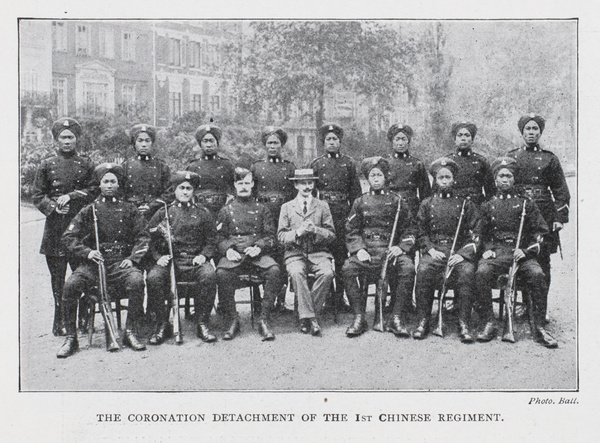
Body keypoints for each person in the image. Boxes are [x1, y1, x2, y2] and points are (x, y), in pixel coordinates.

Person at [57, 164, 150, 358]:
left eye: (113, 181)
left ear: (118, 184)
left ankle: (130, 332)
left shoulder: (130, 209)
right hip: (94, 263)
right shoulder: (89, 210)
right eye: (105, 181)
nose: (109, 185)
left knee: (136, 281)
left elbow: (143, 237)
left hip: (120, 263)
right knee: (71, 285)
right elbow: (68, 237)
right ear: (99, 185)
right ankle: (71, 338)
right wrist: (87, 252)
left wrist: (133, 259)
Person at [474, 157, 557, 348]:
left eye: (508, 176)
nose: (504, 180)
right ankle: (489, 322)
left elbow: (541, 232)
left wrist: (527, 251)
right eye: (501, 176)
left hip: (521, 252)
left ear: (514, 179)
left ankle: (539, 327)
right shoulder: (488, 205)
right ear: (495, 180)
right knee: (481, 272)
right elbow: (479, 233)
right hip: (497, 252)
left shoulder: (526, 204)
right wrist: (486, 249)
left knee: (537, 274)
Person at [32, 117, 96, 336]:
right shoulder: (47, 164)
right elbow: (38, 195)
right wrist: (52, 207)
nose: (67, 141)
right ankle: (59, 319)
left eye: (71, 137)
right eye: (63, 137)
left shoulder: (86, 164)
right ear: (56, 140)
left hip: (80, 228)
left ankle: (84, 317)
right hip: (56, 230)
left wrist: (71, 197)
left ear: (77, 139)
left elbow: (94, 190)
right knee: (58, 279)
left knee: (83, 274)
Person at [342, 157, 416, 338]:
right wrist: (359, 249)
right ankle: (359, 316)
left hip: (390, 250)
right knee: (348, 268)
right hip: (367, 250)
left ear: (386, 177)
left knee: (408, 268)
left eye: (379, 175)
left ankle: (396, 317)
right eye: (372, 175)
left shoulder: (398, 201)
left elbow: (410, 227)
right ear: (367, 178)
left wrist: (401, 247)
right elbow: (351, 229)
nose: (376, 178)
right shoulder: (360, 202)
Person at [506, 114, 571, 320]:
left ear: (540, 132)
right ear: (522, 132)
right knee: (523, 257)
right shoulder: (512, 158)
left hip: (544, 214)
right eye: (528, 129)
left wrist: (559, 218)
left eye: (535, 129)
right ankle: (525, 304)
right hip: (519, 214)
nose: (531, 132)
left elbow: (561, 190)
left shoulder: (550, 158)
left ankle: (540, 308)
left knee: (542, 261)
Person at [146, 171, 218, 345]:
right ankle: (162, 324)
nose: (185, 192)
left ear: (193, 191)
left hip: (194, 260)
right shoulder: (163, 212)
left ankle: (202, 322)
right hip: (171, 260)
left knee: (209, 275)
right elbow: (148, 238)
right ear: (174, 190)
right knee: (153, 278)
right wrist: (157, 257)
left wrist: (204, 255)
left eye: (189, 188)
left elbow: (212, 239)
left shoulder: (203, 213)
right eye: (181, 188)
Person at [413, 158, 480, 342]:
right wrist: (430, 249)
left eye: (447, 177)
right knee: (424, 270)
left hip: (457, 251)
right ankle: (423, 320)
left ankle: (463, 322)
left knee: (467, 271)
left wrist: (462, 254)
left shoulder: (465, 204)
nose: (444, 180)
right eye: (440, 177)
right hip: (435, 250)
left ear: (454, 180)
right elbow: (420, 231)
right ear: (435, 180)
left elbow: (476, 233)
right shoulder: (427, 204)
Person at [215, 167, 282, 341]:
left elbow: (270, 236)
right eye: (240, 183)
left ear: (252, 184)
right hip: (235, 254)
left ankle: (264, 319)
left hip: (257, 254)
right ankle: (232, 319)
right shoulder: (226, 210)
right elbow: (219, 237)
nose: (243, 187)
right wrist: (228, 250)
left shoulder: (262, 209)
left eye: (247, 183)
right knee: (221, 273)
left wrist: (259, 247)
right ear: (234, 185)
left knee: (274, 270)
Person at [310, 124, 362, 312]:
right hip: (322, 216)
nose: (332, 142)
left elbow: (356, 195)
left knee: (341, 258)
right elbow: (311, 193)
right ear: (323, 143)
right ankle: (326, 297)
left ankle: (340, 299)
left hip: (342, 215)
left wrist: (351, 219)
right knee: (322, 256)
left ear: (340, 142)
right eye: (328, 139)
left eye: (335, 139)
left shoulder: (348, 163)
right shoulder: (317, 164)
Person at [278, 169, 336, 335]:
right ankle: (312, 319)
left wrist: (316, 230)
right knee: (296, 273)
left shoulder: (323, 206)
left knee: (327, 274)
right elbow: (281, 236)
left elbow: (331, 234)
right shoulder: (287, 207)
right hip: (295, 254)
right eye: (303, 183)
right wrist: (298, 233)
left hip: (318, 253)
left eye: (310, 182)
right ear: (296, 185)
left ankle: (306, 317)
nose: (307, 186)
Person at [251, 127, 296, 313]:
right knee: (264, 255)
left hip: (283, 217)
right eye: (269, 143)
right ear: (264, 145)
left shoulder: (289, 167)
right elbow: (252, 197)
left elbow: (294, 196)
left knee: (283, 257)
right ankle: (263, 299)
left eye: (276, 143)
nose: (272, 146)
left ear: (281, 145)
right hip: (264, 218)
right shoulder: (257, 167)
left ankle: (281, 300)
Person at [121, 124, 172, 221]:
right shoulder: (125, 166)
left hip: (155, 214)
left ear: (152, 143)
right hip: (131, 214)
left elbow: (169, 192)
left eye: (147, 141)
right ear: (134, 143)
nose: (144, 144)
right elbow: (120, 192)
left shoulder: (161, 166)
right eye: (140, 140)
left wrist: (151, 206)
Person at [185, 124, 235, 217]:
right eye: (205, 141)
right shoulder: (193, 166)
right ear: (200, 143)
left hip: (222, 210)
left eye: (211, 141)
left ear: (217, 142)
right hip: (200, 211)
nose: (209, 145)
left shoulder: (226, 165)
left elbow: (233, 190)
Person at [443, 122, 494, 205]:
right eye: (460, 135)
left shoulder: (481, 162)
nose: (463, 138)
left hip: (476, 207)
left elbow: (490, 192)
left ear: (472, 139)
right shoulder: (447, 162)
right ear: (455, 139)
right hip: (453, 207)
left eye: (467, 135)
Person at [386, 123, 431, 217]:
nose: (400, 143)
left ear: (408, 141)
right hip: (390, 209)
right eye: (397, 139)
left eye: (404, 139)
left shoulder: (417, 164)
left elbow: (425, 194)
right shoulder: (385, 164)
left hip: (412, 210)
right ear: (392, 141)